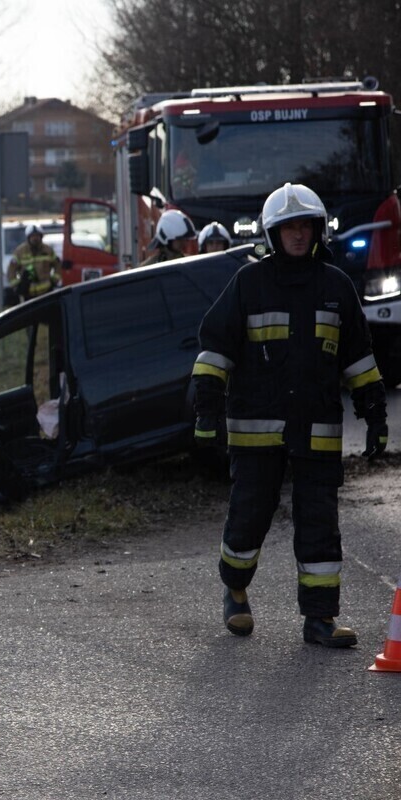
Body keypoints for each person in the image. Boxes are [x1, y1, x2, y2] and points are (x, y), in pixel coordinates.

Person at [191, 183, 387, 648]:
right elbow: (214, 352)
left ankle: (320, 619)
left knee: (320, 522)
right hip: (256, 432)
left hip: (317, 431)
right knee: (249, 518)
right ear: (272, 233)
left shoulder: (336, 286)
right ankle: (235, 589)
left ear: (318, 231)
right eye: (289, 228)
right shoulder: (249, 283)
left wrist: (375, 416)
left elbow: (359, 359)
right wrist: (206, 411)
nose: (298, 235)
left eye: (306, 227)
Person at [6, 223, 60, 303]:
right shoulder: (20, 251)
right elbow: (11, 270)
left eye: (37, 236)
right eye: (33, 236)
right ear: (28, 237)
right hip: (28, 294)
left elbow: (57, 265)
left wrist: (54, 281)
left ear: (41, 236)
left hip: (46, 292)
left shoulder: (48, 250)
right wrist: (17, 286)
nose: (35, 239)